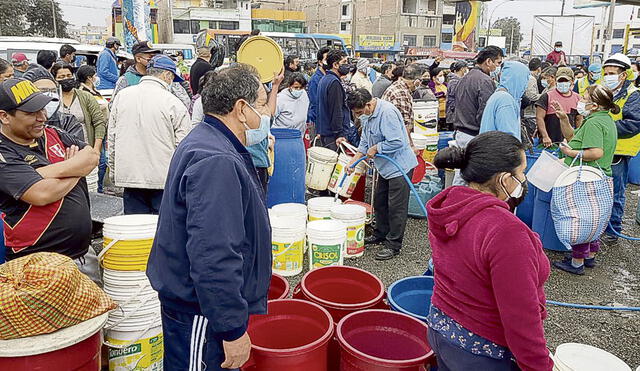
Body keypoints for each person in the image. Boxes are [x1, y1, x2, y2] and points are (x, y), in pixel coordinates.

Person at [146, 65, 271, 371]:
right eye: (263, 103)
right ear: (242, 108)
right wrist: (232, 329)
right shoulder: (216, 159)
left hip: (201, 305)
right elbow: (213, 253)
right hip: (200, 311)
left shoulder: (209, 140)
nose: (265, 114)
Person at [428, 131, 553, 371]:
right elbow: (521, 319)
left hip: (441, 330)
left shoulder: (450, 206)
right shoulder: (506, 232)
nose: (523, 181)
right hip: (482, 352)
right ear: (505, 179)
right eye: (521, 174)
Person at [0, 78, 101, 282]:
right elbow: (41, 194)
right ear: (4, 117)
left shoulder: (52, 133)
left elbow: (91, 156)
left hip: (82, 256)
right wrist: (75, 167)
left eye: (42, 109)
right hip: (36, 265)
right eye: (31, 113)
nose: (42, 117)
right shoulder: (4, 152)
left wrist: (47, 172)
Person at [108, 55, 192, 214]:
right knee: (162, 230)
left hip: (130, 177)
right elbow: (183, 147)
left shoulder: (122, 97)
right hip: (163, 179)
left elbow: (112, 138)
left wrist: (114, 171)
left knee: (136, 231)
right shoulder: (173, 102)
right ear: (167, 75)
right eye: (172, 79)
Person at [550, 85, 618, 275]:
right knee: (594, 219)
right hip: (600, 178)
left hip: (586, 178)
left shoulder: (594, 123)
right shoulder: (603, 119)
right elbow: (573, 136)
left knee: (580, 220)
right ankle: (589, 257)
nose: (581, 101)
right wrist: (563, 118)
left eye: (585, 98)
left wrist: (569, 152)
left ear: (595, 105)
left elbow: (596, 152)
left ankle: (577, 262)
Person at [346, 89, 417, 260]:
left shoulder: (387, 113)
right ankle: (380, 233)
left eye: (360, 112)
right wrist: (352, 162)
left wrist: (378, 148)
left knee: (396, 207)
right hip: (385, 168)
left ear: (369, 104)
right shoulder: (368, 116)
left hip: (399, 167)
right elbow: (364, 143)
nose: (358, 116)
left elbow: (398, 141)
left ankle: (393, 244)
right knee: (380, 201)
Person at [600, 54, 640, 243]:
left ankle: (613, 229)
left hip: (619, 151)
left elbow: (634, 124)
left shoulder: (632, 95)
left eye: (612, 73)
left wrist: (605, 128)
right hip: (603, 148)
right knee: (601, 190)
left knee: (616, 191)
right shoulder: (605, 92)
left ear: (623, 75)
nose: (608, 76)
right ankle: (601, 225)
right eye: (606, 73)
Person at [451, 45, 504, 185]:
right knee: (467, 177)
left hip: (461, 131)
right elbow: (485, 113)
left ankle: (454, 202)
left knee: (462, 174)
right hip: (473, 134)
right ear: (488, 61)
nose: (498, 67)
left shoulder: (465, 78)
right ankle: (455, 203)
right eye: (498, 63)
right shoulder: (485, 81)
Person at [113, 41, 191, 108]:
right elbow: (114, 105)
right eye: (150, 57)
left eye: (155, 56)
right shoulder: (126, 79)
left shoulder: (162, 75)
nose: (153, 60)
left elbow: (184, 101)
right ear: (138, 59)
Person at [51, 62, 107, 153]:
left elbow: (99, 122)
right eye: (61, 77)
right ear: (54, 79)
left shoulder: (85, 96)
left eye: (69, 75)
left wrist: (96, 149)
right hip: (58, 151)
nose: (66, 79)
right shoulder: (52, 99)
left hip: (85, 150)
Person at [76, 64, 110, 193]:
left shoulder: (94, 91)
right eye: (95, 75)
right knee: (99, 162)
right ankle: (98, 190)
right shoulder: (84, 94)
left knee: (102, 162)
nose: (96, 78)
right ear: (89, 78)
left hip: (102, 131)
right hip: (94, 134)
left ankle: (99, 187)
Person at [480, 60, 530, 140]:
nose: (525, 86)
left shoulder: (498, 95)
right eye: (525, 80)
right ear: (518, 79)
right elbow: (508, 138)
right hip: (500, 151)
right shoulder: (506, 100)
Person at [536, 67, 582, 147]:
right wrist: (545, 136)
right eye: (560, 80)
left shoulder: (577, 98)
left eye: (566, 81)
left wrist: (578, 139)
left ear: (572, 81)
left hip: (568, 142)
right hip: (549, 142)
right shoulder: (547, 96)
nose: (563, 83)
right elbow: (539, 117)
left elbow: (579, 120)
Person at [316, 49, 349, 151]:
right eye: (344, 62)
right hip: (333, 136)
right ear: (335, 65)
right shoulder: (334, 83)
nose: (347, 65)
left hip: (325, 132)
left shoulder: (325, 79)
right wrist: (339, 133)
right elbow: (336, 110)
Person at [382, 63, 426, 134]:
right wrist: (410, 143)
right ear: (416, 81)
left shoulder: (397, 86)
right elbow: (405, 126)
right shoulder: (402, 94)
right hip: (395, 134)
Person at [307, 46, 331, 129]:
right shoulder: (315, 80)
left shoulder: (329, 77)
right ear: (320, 62)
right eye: (326, 59)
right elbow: (315, 104)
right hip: (319, 122)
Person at [523, 58, 543, 139]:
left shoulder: (527, 76)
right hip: (529, 113)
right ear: (539, 69)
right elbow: (531, 96)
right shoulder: (531, 79)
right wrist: (544, 95)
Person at [445, 61, 468, 128]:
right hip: (454, 114)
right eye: (465, 68)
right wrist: (454, 110)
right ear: (462, 69)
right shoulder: (454, 81)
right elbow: (453, 97)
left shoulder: (459, 80)